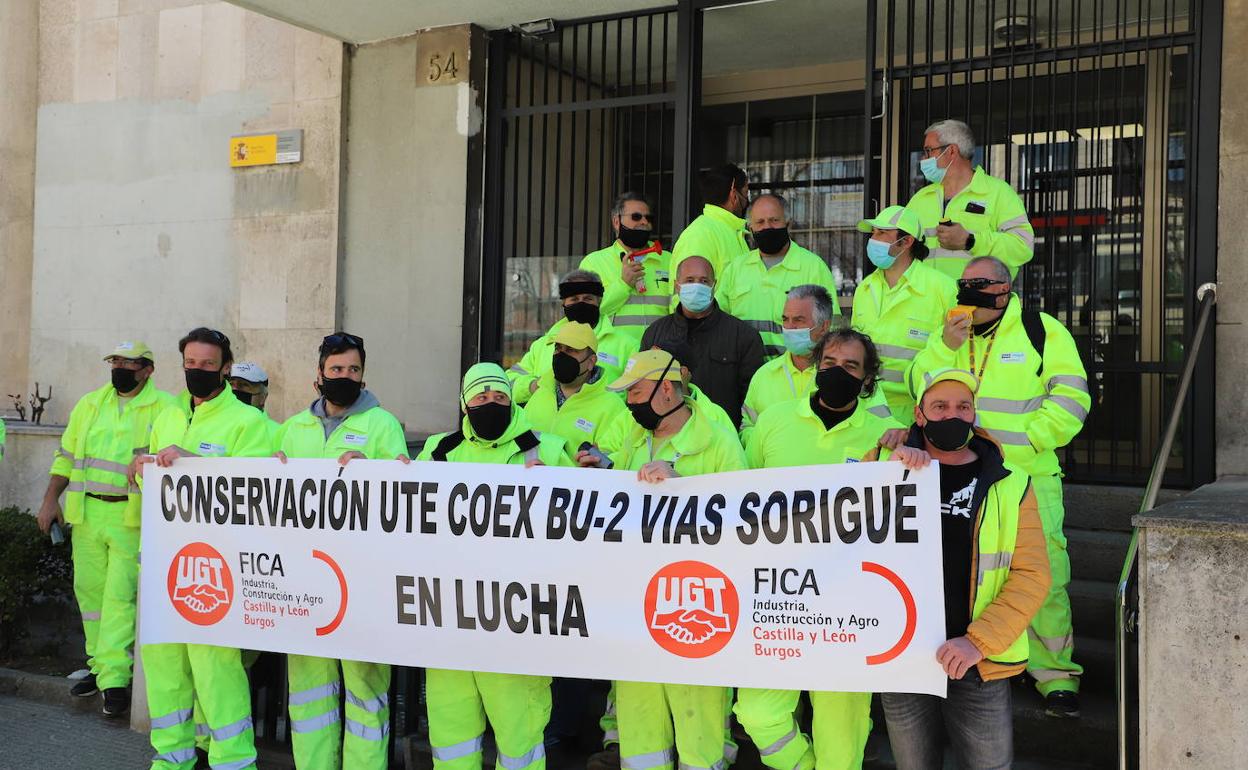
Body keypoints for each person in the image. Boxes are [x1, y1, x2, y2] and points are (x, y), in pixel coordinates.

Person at [907, 256, 1090, 717]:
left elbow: (1071, 399)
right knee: (976, 574)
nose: (969, 291)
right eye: (963, 283)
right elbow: (919, 388)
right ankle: (984, 654)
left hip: (1026, 477)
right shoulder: (949, 330)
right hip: (961, 471)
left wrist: (1024, 444)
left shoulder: (1039, 329)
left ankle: (1055, 674)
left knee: (1043, 577)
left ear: (1005, 288)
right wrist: (943, 348)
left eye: (980, 284)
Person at [735, 330, 923, 770]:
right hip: (776, 596)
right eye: (831, 362)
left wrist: (911, 456)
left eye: (851, 366)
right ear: (815, 364)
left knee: (841, 744)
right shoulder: (774, 420)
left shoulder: (885, 435)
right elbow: (740, 499)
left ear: (868, 378)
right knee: (757, 712)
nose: (838, 371)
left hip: (848, 603)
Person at [577, 348, 746, 770]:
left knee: (700, 737)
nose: (629, 402)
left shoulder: (717, 442)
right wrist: (603, 469)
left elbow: (744, 523)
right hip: (634, 607)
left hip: (695, 610)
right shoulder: (635, 437)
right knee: (640, 734)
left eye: (635, 392)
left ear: (666, 389)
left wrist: (683, 490)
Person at [881, 368, 1051, 769]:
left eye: (963, 406)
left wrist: (978, 642)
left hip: (977, 662)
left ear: (975, 415)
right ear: (919, 415)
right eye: (939, 407)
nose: (952, 416)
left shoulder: (1010, 483)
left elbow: (1032, 574)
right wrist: (888, 470)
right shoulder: (888, 466)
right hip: (904, 658)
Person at [416, 363, 573, 770]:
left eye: (500, 397)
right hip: (449, 618)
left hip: (518, 621)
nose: (491, 404)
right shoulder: (438, 449)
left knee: (519, 740)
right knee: (451, 742)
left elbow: (582, 525)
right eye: (481, 398)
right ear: (465, 404)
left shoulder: (549, 449)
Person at [134, 327, 272, 770]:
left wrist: (194, 462)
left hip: (218, 566)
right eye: (190, 364)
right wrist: (141, 470)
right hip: (167, 562)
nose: (197, 371)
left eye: (207, 365)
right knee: (165, 670)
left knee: (217, 673)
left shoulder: (249, 423)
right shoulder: (170, 416)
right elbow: (159, 491)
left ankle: (233, 763)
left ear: (225, 368)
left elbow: (255, 490)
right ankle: (171, 760)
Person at [272, 332, 410, 770]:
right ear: (319, 374)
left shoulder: (383, 425)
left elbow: (402, 496)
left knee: (365, 690)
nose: (344, 377)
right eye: (336, 370)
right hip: (305, 577)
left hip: (364, 578)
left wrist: (375, 473)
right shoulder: (293, 428)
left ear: (363, 374)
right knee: (310, 693)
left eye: (352, 370)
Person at [36, 341, 174, 716]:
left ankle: (115, 681)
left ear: (148, 370)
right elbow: (64, 456)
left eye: (129, 362)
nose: (120, 368)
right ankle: (100, 668)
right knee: (91, 596)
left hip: (132, 519)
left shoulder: (166, 408)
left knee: (118, 599)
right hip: (87, 515)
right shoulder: (90, 404)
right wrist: (51, 500)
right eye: (116, 361)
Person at [851, 205, 958, 423]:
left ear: (907, 242)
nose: (873, 239)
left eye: (882, 233)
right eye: (873, 233)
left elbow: (956, 353)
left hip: (918, 413)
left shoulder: (942, 288)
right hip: (867, 408)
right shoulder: (864, 288)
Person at [641, 255, 764, 430]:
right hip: (668, 441)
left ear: (714, 285)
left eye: (704, 281)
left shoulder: (743, 337)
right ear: (677, 285)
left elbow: (752, 403)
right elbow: (643, 391)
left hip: (721, 442)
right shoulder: (655, 334)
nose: (696, 286)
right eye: (689, 280)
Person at [905, 119, 1035, 280]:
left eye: (929, 150)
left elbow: (1023, 247)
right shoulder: (920, 199)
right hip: (929, 303)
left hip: (976, 303)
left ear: (952, 151)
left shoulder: (999, 193)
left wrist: (970, 241)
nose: (923, 159)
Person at [716, 194, 839, 358]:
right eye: (760, 222)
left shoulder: (813, 267)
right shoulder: (736, 269)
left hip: (794, 374)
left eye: (774, 220)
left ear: (788, 222)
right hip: (743, 374)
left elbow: (831, 329)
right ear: (750, 227)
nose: (767, 227)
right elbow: (717, 322)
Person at [508, 270, 638, 406]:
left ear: (599, 302)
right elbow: (508, 384)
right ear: (564, 303)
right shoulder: (543, 345)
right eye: (574, 299)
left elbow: (637, 395)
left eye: (588, 299)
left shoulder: (627, 346)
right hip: (546, 423)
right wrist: (533, 386)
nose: (581, 304)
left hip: (603, 424)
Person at [739, 285, 833, 445]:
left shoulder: (844, 373)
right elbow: (747, 428)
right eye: (785, 319)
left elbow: (874, 425)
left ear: (823, 326)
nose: (789, 327)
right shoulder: (764, 375)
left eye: (798, 320)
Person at [523, 321, 628, 458]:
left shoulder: (612, 407)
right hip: (532, 480)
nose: (561, 355)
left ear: (591, 361)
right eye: (558, 348)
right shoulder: (540, 393)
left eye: (571, 350)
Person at [579, 192, 672, 345]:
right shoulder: (593, 263)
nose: (644, 222)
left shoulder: (668, 259)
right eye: (636, 217)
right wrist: (623, 284)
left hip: (659, 354)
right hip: (614, 356)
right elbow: (586, 313)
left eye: (648, 218)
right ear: (616, 222)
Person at [670, 163, 751, 280]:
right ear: (734, 195)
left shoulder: (732, 232)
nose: (747, 200)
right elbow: (690, 294)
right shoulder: (700, 235)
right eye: (745, 192)